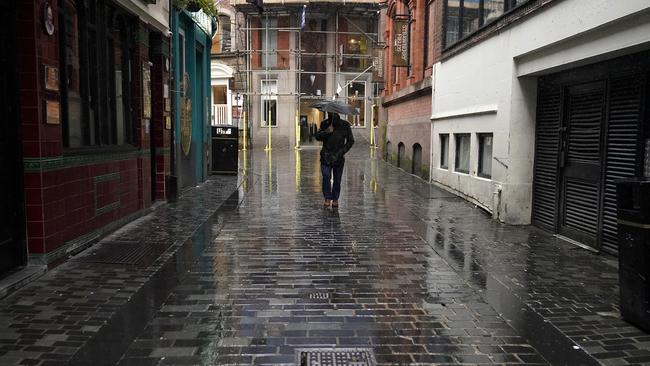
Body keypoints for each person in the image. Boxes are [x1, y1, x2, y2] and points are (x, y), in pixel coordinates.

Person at [315, 112, 354, 208]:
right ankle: (327, 198)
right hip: (326, 156)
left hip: (338, 157)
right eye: (329, 112)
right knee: (326, 176)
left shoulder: (345, 125)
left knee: (337, 179)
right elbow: (317, 137)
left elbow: (351, 140)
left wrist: (342, 151)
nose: (330, 114)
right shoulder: (325, 123)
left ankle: (335, 198)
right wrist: (326, 132)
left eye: (332, 112)